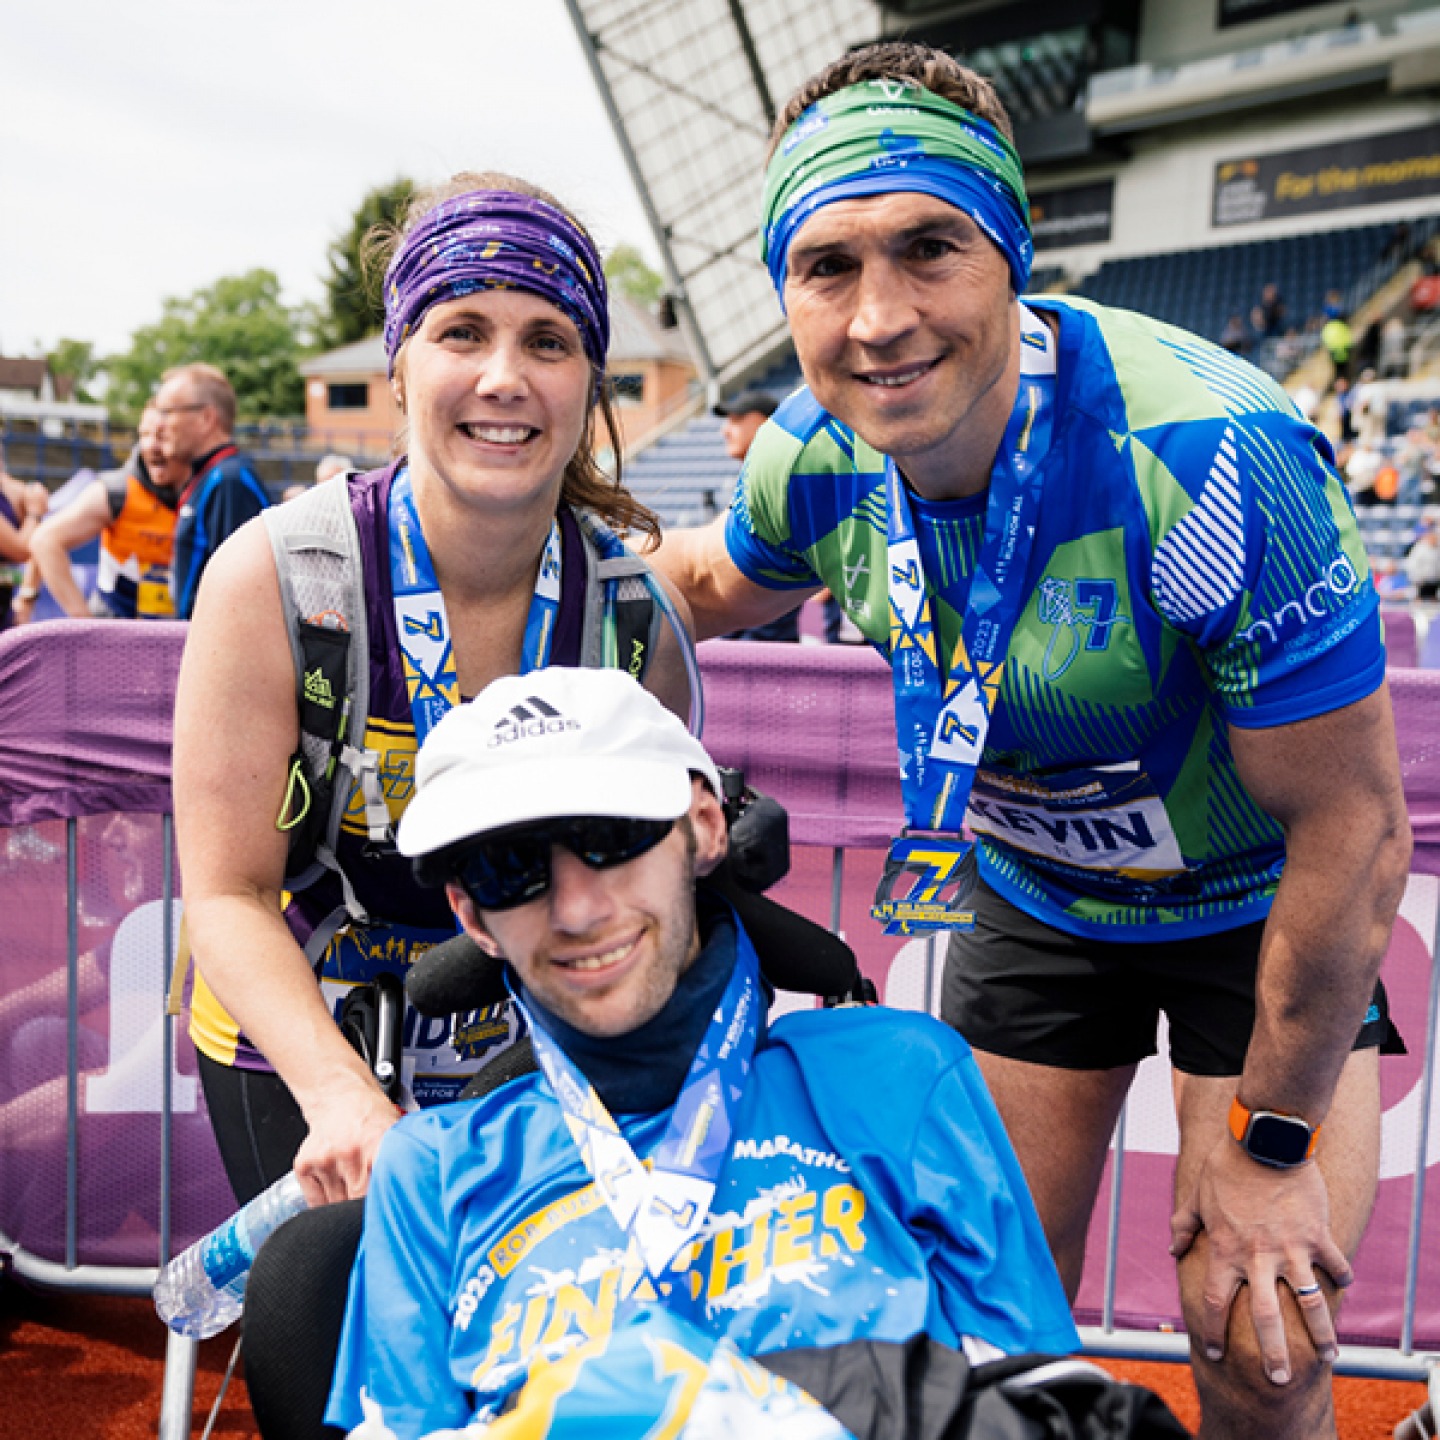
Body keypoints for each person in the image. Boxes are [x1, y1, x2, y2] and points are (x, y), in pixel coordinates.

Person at [651, 41, 1412, 1440]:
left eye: (929, 247)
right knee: (985, 1337)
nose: (879, 318)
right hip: (1040, 908)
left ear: (1014, 247)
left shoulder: (1212, 455)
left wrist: (1272, 1141)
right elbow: (690, 588)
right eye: (826, 267)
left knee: (1263, 1340)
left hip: (1257, 916)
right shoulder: (812, 458)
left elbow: (1357, 832)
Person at [324, 665, 1080, 1438]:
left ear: (705, 827)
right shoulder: (430, 1171)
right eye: (509, 870)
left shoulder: (901, 1075)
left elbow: (1045, 1415)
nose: (580, 909)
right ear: (471, 916)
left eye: (613, 838)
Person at [172, 174, 696, 1214]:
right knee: (331, 1350)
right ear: (400, 368)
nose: (505, 376)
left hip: (537, 1043)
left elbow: (643, 898)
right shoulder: (275, 579)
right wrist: (343, 1097)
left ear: (591, 381)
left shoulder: (636, 621)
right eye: (463, 331)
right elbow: (227, 893)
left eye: (548, 341)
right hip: (302, 1040)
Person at [26, 402, 190, 619]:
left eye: (162, 436)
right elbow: (43, 540)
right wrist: (84, 622)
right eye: (145, 434)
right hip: (117, 629)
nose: (152, 445)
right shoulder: (116, 491)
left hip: (179, 630)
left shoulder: (210, 491)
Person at [155, 362, 271, 619]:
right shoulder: (210, 476)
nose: (158, 426)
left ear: (206, 418)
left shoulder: (229, 482)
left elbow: (240, 598)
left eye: (166, 412)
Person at [715, 390, 801, 642]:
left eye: (736, 420)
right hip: (745, 635)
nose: (725, 430)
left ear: (763, 423)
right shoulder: (751, 480)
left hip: (764, 644)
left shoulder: (779, 483)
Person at [0, 441, 50, 628]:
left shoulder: (12, 491)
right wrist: (35, 513)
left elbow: (42, 541)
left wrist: (27, 598)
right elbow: (21, 550)